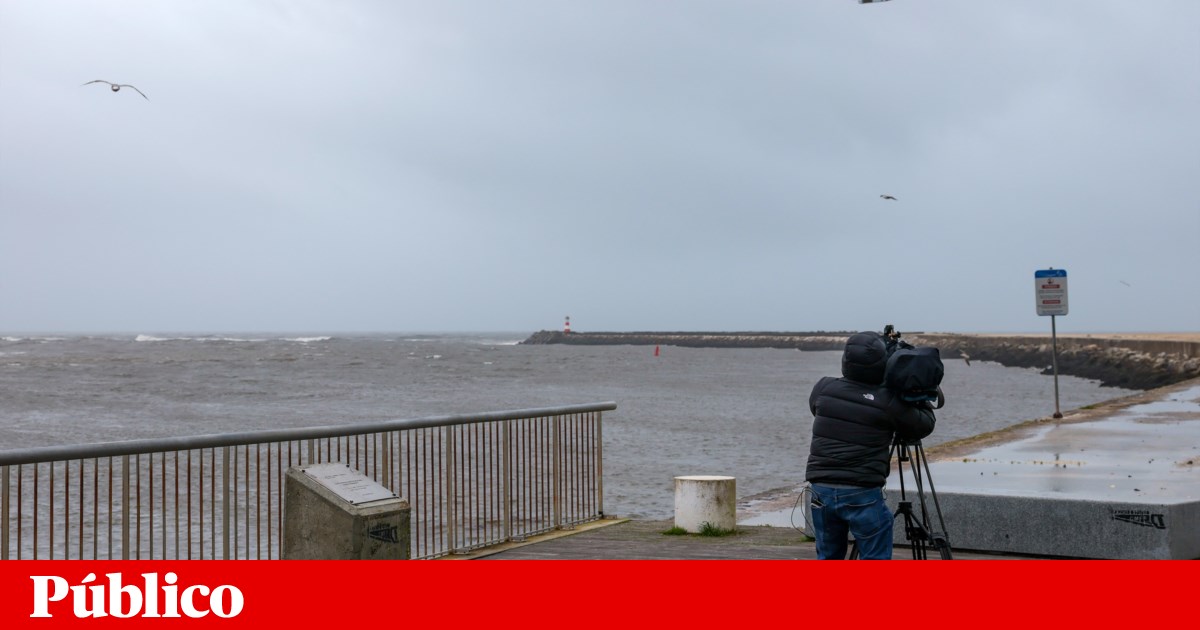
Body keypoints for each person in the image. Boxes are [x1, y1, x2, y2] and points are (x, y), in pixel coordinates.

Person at [805, 331, 936, 559]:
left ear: (846, 361)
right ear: (881, 365)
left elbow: (818, 408)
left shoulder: (823, 387)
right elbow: (923, 425)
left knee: (828, 557)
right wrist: (916, 390)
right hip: (861, 492)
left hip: (821, 489)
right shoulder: (887, 401)